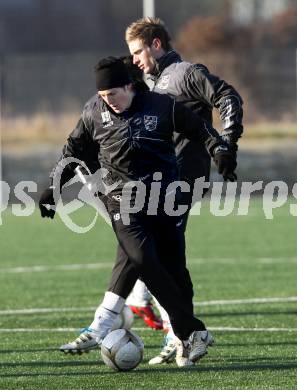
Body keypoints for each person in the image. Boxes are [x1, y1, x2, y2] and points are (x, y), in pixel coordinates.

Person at [39, 56, 236, 367]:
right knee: (142, 259)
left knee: (175, 268)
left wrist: (220, 150)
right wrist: (53, 188)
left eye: (113, 94)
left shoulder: (161, 106)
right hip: (121, 199)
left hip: (164, 197)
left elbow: (200, 129)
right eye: (103, 96)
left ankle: (187, 339)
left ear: (129, 86)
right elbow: (73, 150)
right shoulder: (93, 111)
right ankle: (192, 330)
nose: (108, 102)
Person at [124, 17, 244, 364]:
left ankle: (183, 335)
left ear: (156, 44)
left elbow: (227, 96)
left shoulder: (186, 73)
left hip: (182, 178)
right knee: (160, 257)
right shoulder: (153, 83)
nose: (134, 59)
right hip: (157, 181)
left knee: (162, 258)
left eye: (137, 51)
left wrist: (228, 144)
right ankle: (180, 332)